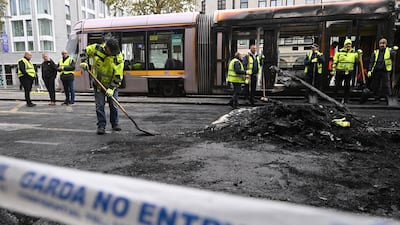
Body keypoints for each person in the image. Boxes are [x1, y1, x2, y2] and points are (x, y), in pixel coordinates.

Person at [80, 38, 124, 135]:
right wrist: (84, 61)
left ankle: (115, 124)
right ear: (107, 48)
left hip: (111, 85)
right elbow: (84, 51)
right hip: (98, 84)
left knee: (113, 106)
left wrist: (112, 88)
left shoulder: (118, 57)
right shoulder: (96, 48)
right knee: (100, 106)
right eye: (111, 51)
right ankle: (101, 126)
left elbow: (118, 75)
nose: (113, 53)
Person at [367, 38, 398, 104]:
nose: (382, 45)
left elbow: (393, 56)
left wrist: (394, 51)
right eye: (381, 43)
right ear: (379, 44)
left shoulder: (389, 51)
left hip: (385, 70)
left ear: (386, 44)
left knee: (386, 85)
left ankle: (389, 98)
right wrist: (369, 70)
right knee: (376, 85)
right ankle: (377, 98)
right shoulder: (376, 52)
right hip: (377, 70)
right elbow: (372, 61)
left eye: (383, 43)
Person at [331, 39, 361, 104]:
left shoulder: (354, 53)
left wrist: (360, 54)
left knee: (347, 86)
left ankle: (346, 100)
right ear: (344, 45)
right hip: (340, 71)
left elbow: (358, 60)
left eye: (349, 44)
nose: (348, 45)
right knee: (337, 85)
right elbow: (335, 61)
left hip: (349, 71)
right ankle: (334, 98)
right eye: (347, 44)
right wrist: (333, 69)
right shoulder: (339, 52)